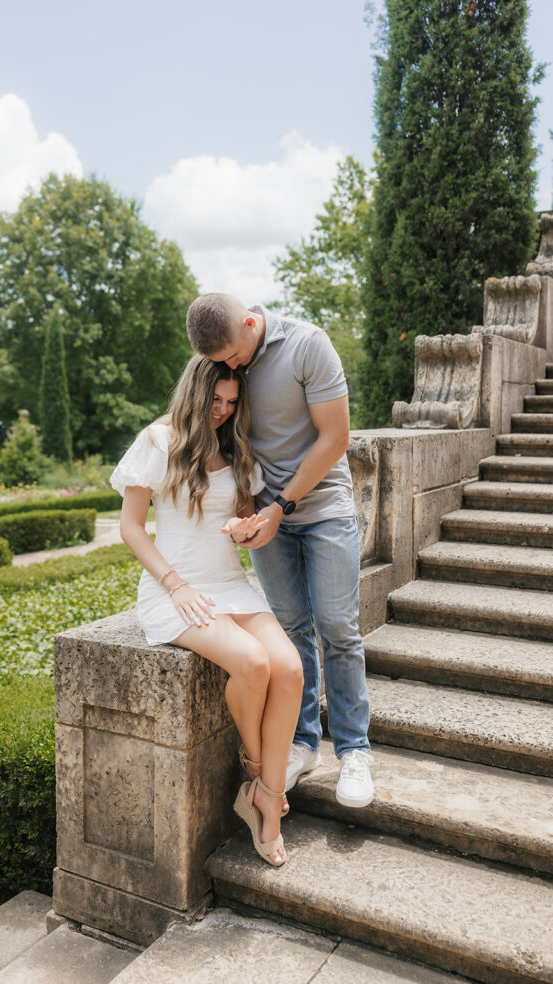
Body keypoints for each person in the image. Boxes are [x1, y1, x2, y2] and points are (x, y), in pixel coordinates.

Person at [110, 354, 304, 866]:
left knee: (290, 668)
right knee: (254, 663)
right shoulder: (158, 442)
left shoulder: (235, 448)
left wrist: (245, 530)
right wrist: (174, 586)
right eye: (215, 400)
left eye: (232, 402)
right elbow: (130, 527)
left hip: (230, 584)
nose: (222, 410)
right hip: (175, 591)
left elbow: (242, 521)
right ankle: (260, 780)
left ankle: (266, 796)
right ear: (195, 393)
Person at [186, 293, 373, 808]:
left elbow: (336, 437)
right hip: (266, 519)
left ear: (252, 321)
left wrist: (280, 507)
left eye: (232, 355)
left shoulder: (309, 345)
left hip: (324, 510)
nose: (230, 366)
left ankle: (354, 751)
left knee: (338, 627)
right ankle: (304, 744)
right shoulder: (229, 360)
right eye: (220, 361)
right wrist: (248, 513)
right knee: (290, 630)